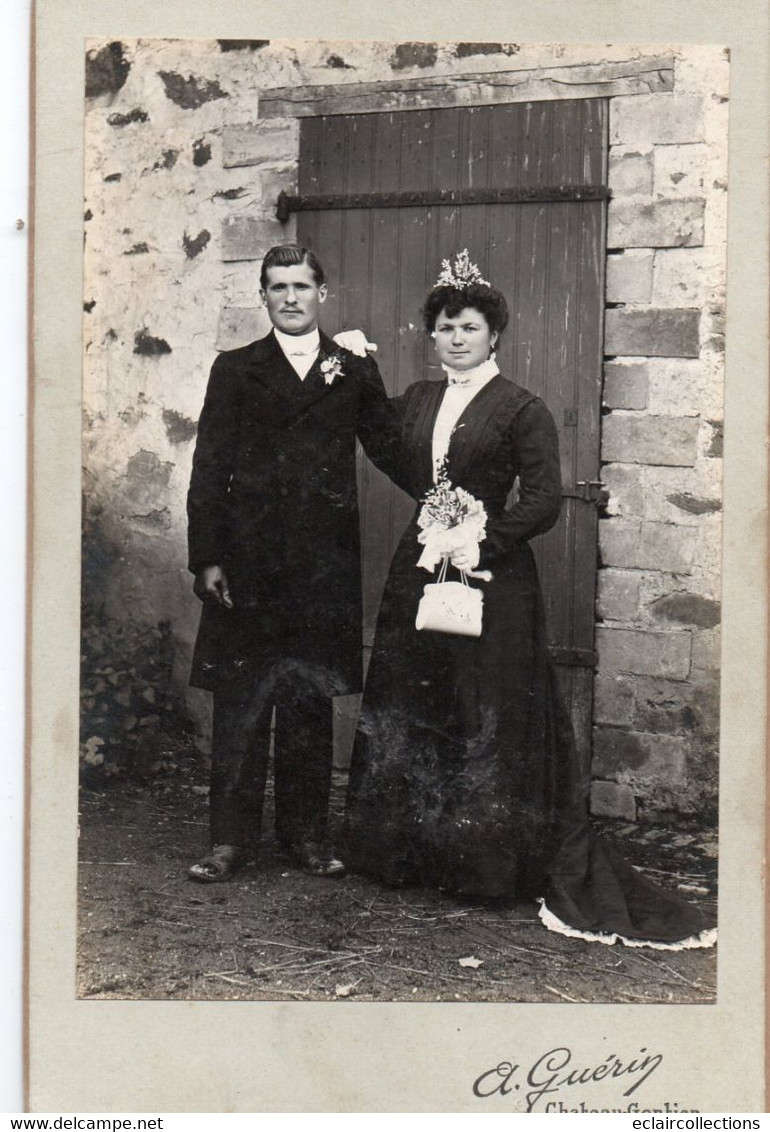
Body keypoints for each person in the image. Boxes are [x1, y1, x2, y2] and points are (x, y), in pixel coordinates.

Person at [344, 252, 716, 948]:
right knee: (413, 695)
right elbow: (391, 452)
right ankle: (402, 855)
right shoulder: (419, 400)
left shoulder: (521, 407)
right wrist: (364, 381)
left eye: (470, 328)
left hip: (494, 573)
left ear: (495, 336)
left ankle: (483, 868)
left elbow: (544, 500)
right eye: (446, 327)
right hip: (422, 565)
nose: (456, 338)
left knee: (484, 705)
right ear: (432, 335)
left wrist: (481, 538)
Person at [186, 244, 396, 883]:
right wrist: (208, 557)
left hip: (321, 566)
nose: (290, 298)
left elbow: (389, 445)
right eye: (277, 287)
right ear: (263, 296)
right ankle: (229, 843)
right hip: (248, 566)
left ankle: (306, 839)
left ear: (322, 294)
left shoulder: (353, 368)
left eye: (301, 286)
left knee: (308, 701)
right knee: (241, 705)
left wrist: (453, 485)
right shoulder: (236, 368)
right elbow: (209, 466)